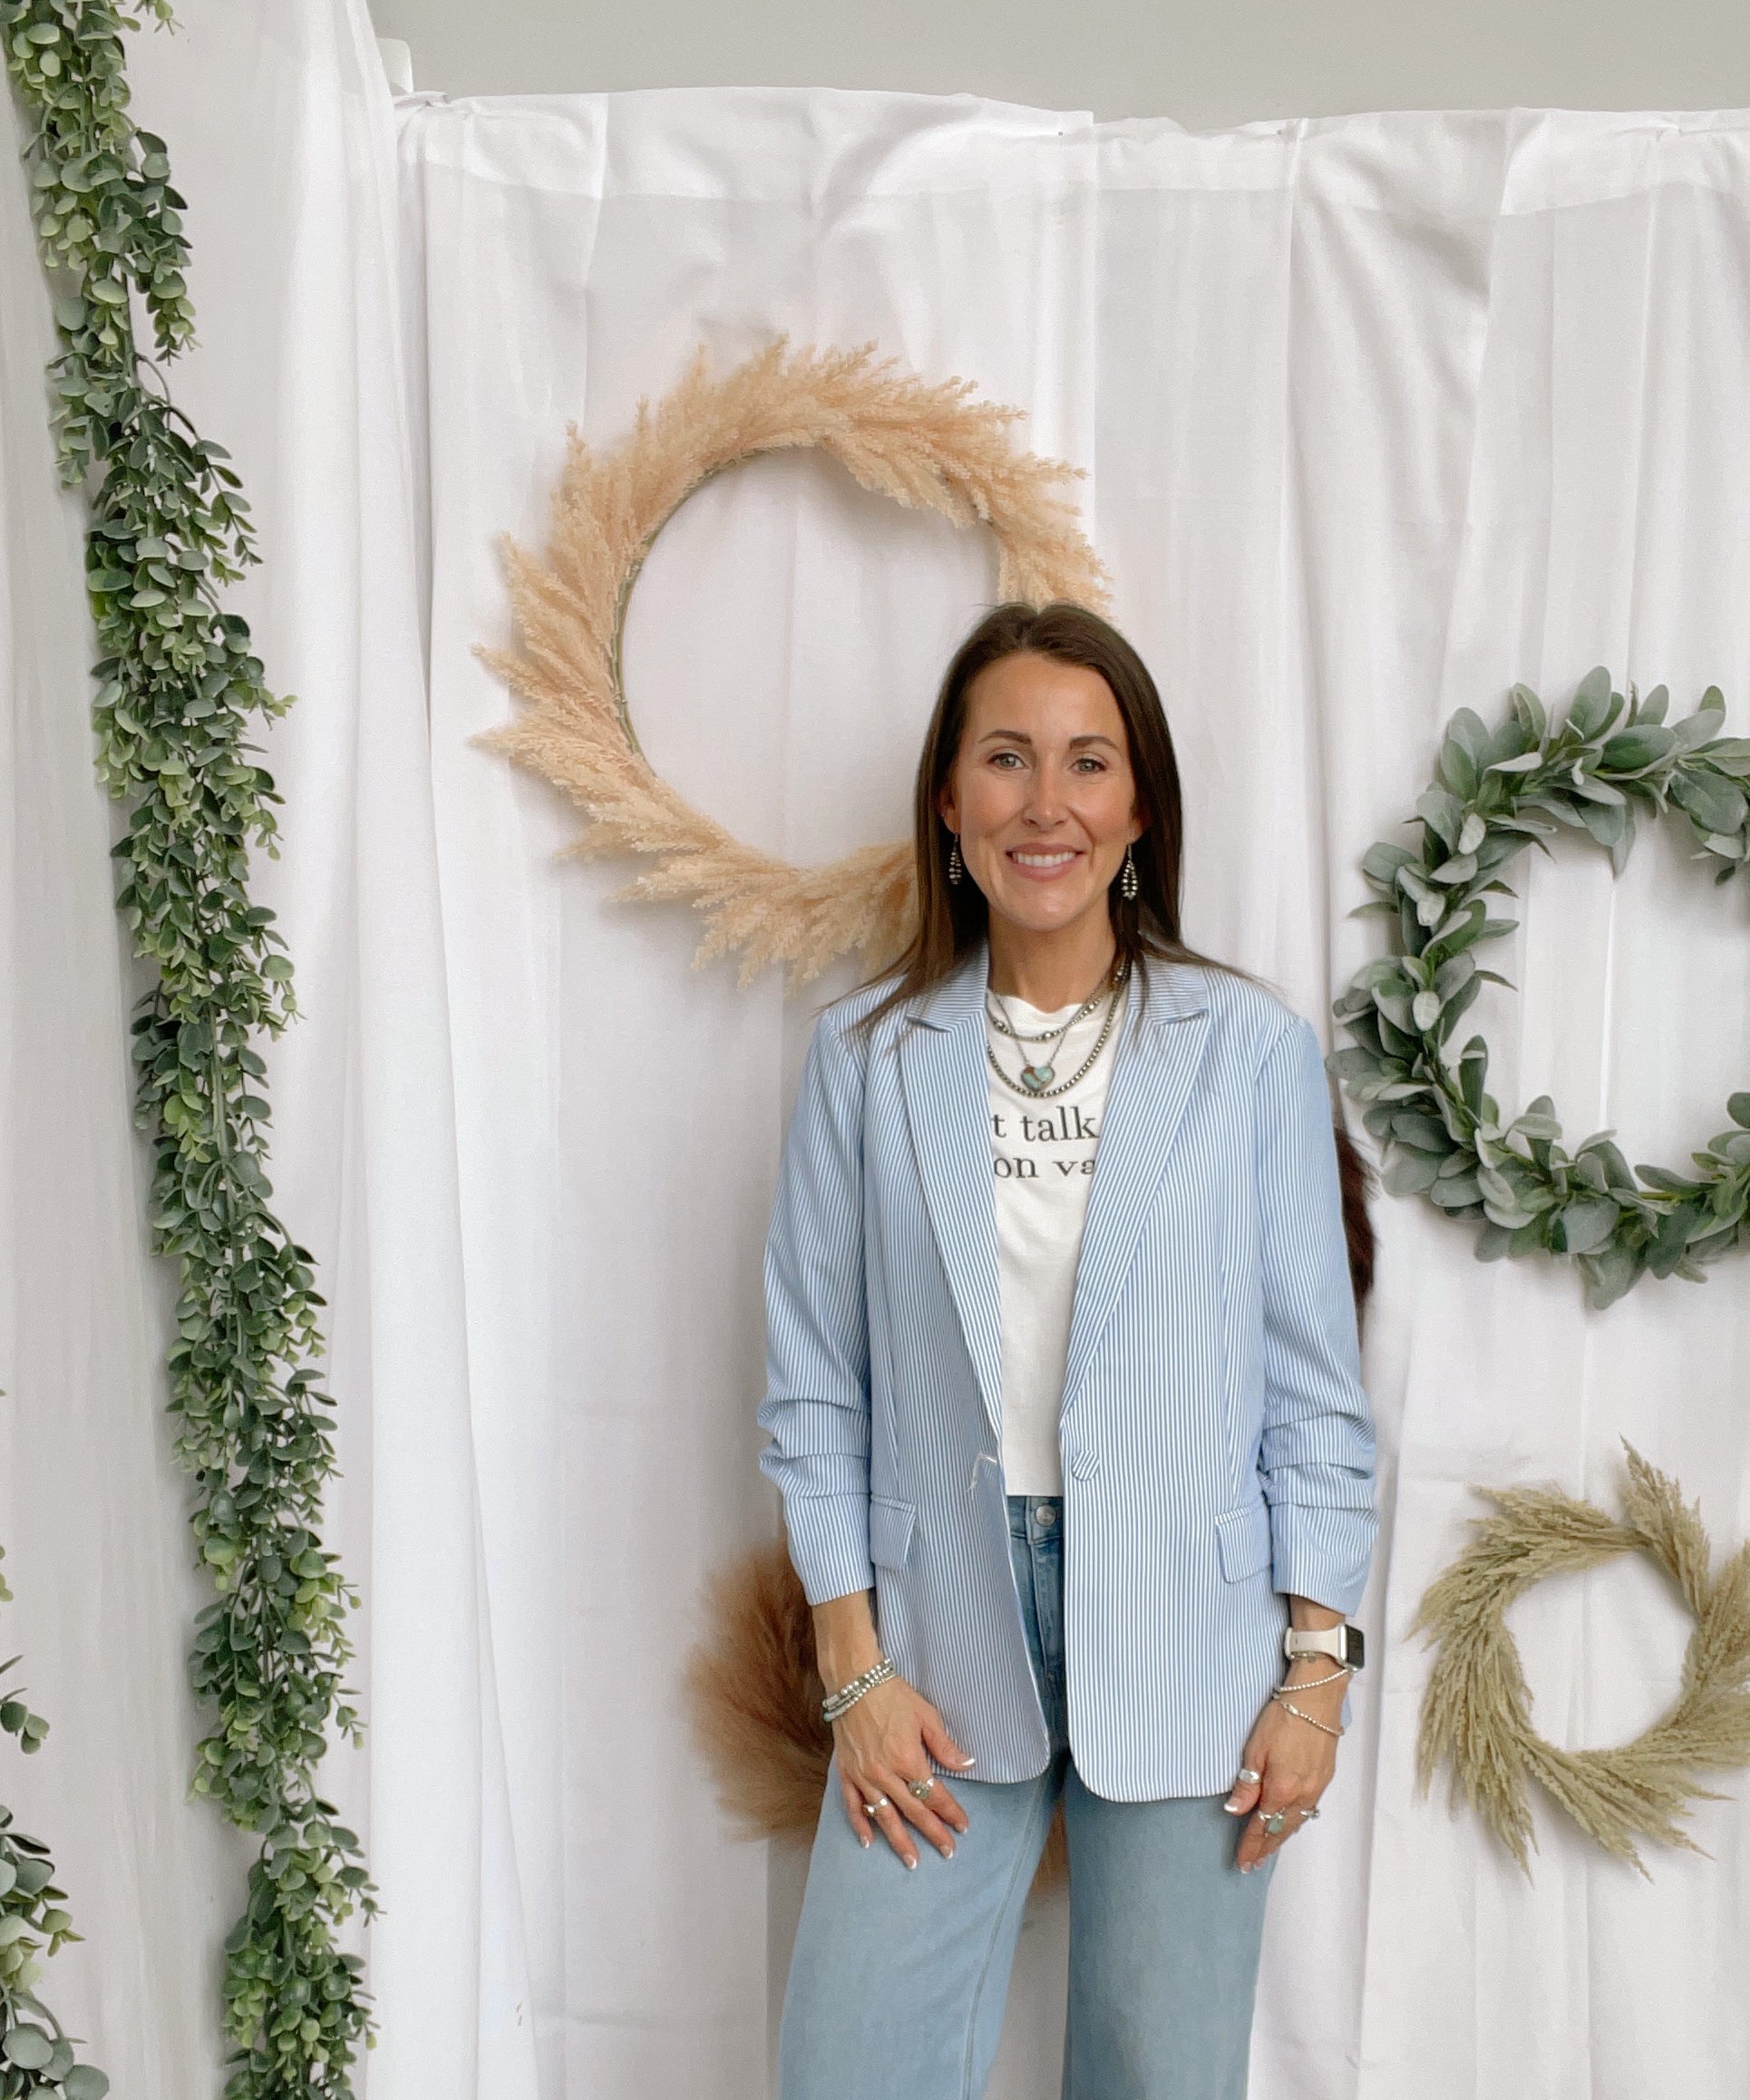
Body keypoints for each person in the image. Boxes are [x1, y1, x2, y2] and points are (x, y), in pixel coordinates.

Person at [756, 600, 1377, 2100]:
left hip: (1196, 1643)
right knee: (851, 2071)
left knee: (1159, 2074)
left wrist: (1315, 1675)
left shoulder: (1246, 1051)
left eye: (1088, 763)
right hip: (935, 1638)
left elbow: (1312, 1394)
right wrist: (853, 1672)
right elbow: (812, 1389)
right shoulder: (862, 1058)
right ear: (950, 805)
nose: (1048, 803)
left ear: (1138, 807)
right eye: (1008, 760)